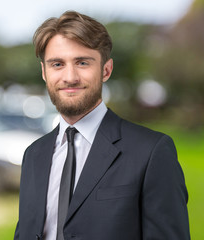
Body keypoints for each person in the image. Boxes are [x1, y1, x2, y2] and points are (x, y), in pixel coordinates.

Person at [14, 10, 190, 240]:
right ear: (44, 73)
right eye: (57, 64)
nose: (70, 77)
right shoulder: (33, 155)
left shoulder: (152, 152)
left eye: (83, 62)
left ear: (106, 70)